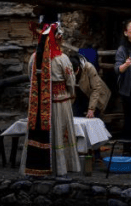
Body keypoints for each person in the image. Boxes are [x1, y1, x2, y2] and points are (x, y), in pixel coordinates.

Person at [23, 22, 80, 177]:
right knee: (60, 132)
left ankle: (39, 165)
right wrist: (71, 93)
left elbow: (31, 77)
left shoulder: (34, 57)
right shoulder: (62, 59)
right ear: (57, 39)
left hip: (39, 104)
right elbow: (70, 80)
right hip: (60, 101)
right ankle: (60, 166)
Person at [71, 52, 110, 119]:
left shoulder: (89, 68)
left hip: (95, 96)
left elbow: (96, 89)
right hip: (80, 95)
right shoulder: (67, 68)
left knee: (93, 118)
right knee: (74, 116)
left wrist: (91, 108)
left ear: (78, 69)